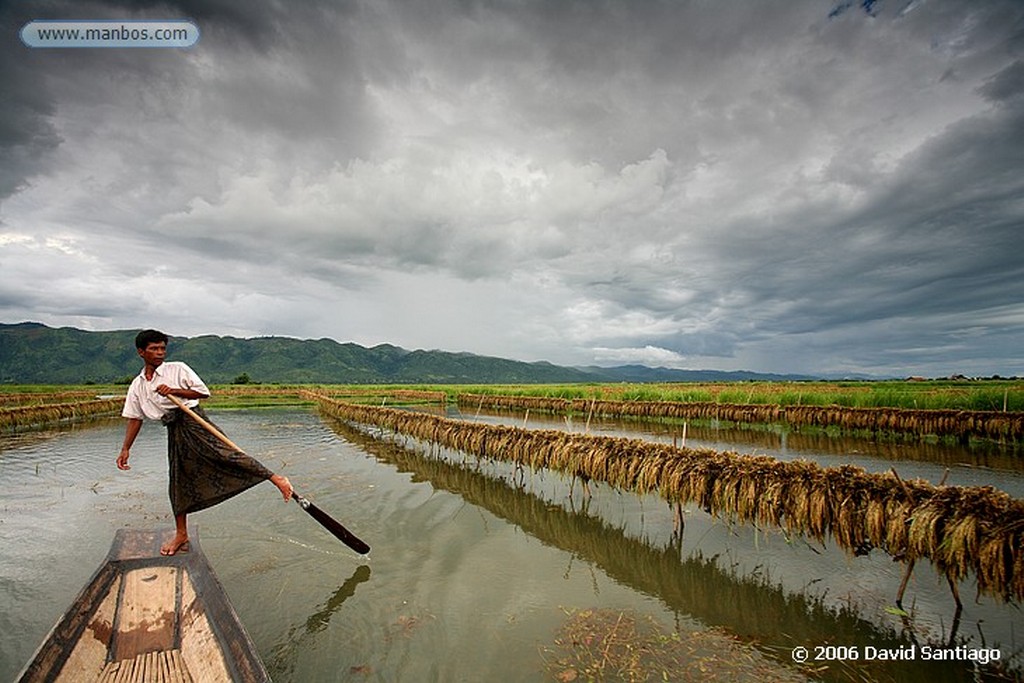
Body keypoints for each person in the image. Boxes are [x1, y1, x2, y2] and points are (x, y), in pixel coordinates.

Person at [117, 329, 292, 555]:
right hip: (175, 430)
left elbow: (203, 393)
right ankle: (181, 533)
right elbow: (134, 418)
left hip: (194, 421)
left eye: (162, 348)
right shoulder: (138, 385)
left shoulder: (177, 369)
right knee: (178, 481)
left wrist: (175, 391)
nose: (160, 353)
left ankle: (277, 479)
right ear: (141, 352)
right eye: (154, 349)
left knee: (227, 455)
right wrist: (125, 449)